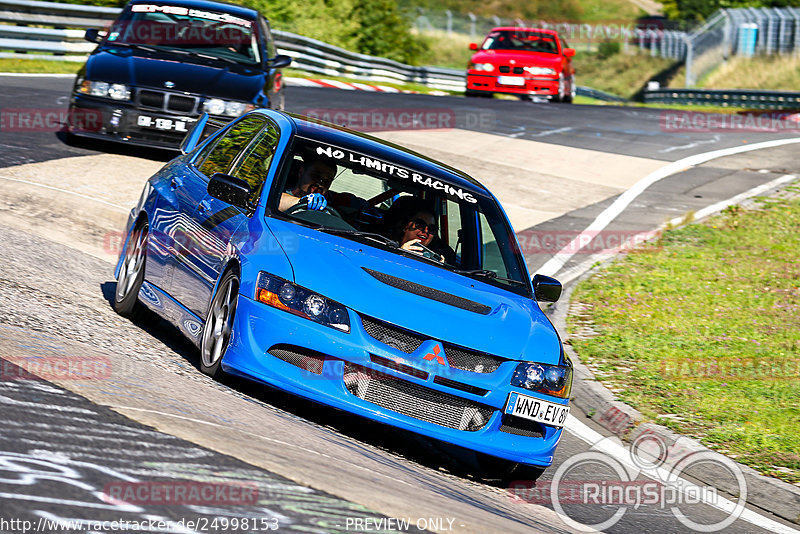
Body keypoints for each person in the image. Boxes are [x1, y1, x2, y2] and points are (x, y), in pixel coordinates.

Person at [384, 196, 455, 264]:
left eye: (432, 228)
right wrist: (399, 255)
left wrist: (438, 268)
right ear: (405, 225)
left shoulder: (441, 256)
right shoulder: (381, 244)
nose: (426, 231)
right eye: (420, 224)